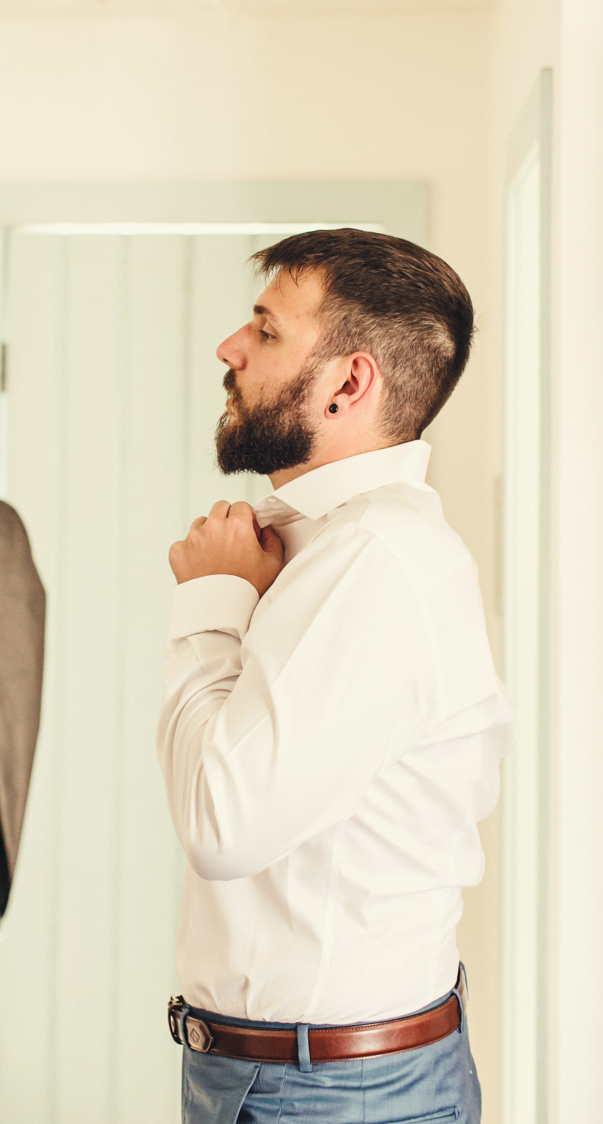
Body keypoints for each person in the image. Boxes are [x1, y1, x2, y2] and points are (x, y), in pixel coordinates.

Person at [155, 227, 515, 1124]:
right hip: (293, 1076)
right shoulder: (328, 548)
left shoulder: (374, 560)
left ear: (351, 383)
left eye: (267, 332)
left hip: (331, 1093)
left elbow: (221, 824)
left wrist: (211, 602)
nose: (229, 349)